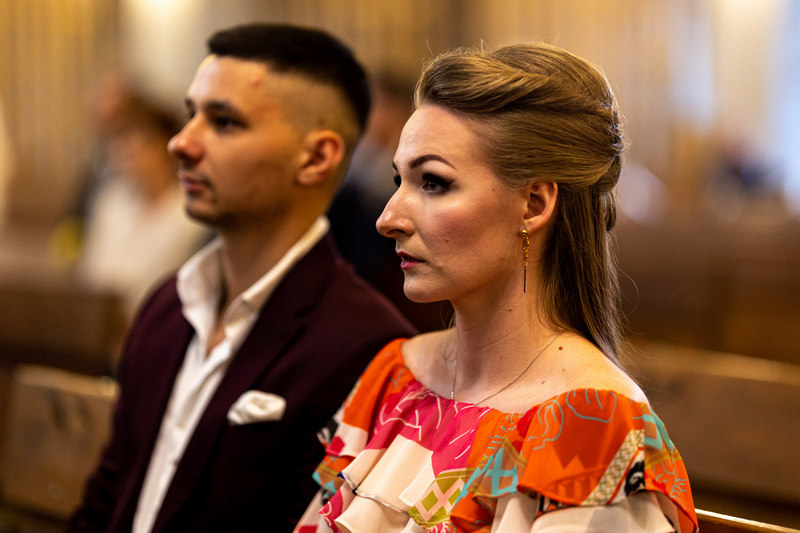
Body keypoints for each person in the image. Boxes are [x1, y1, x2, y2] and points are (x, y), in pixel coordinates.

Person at [296, 43, 698, 532]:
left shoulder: (592, 428)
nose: (388, 219)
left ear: (533, 204)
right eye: (398, 180)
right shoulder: (395, 375)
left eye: (433, 183)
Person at [68, 23, 416, 533]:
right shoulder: (168, 304)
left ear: (316, 157)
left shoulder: (365, 347)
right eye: (191, 115)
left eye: (225, 122)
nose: (181, 143)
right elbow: (108, 496)